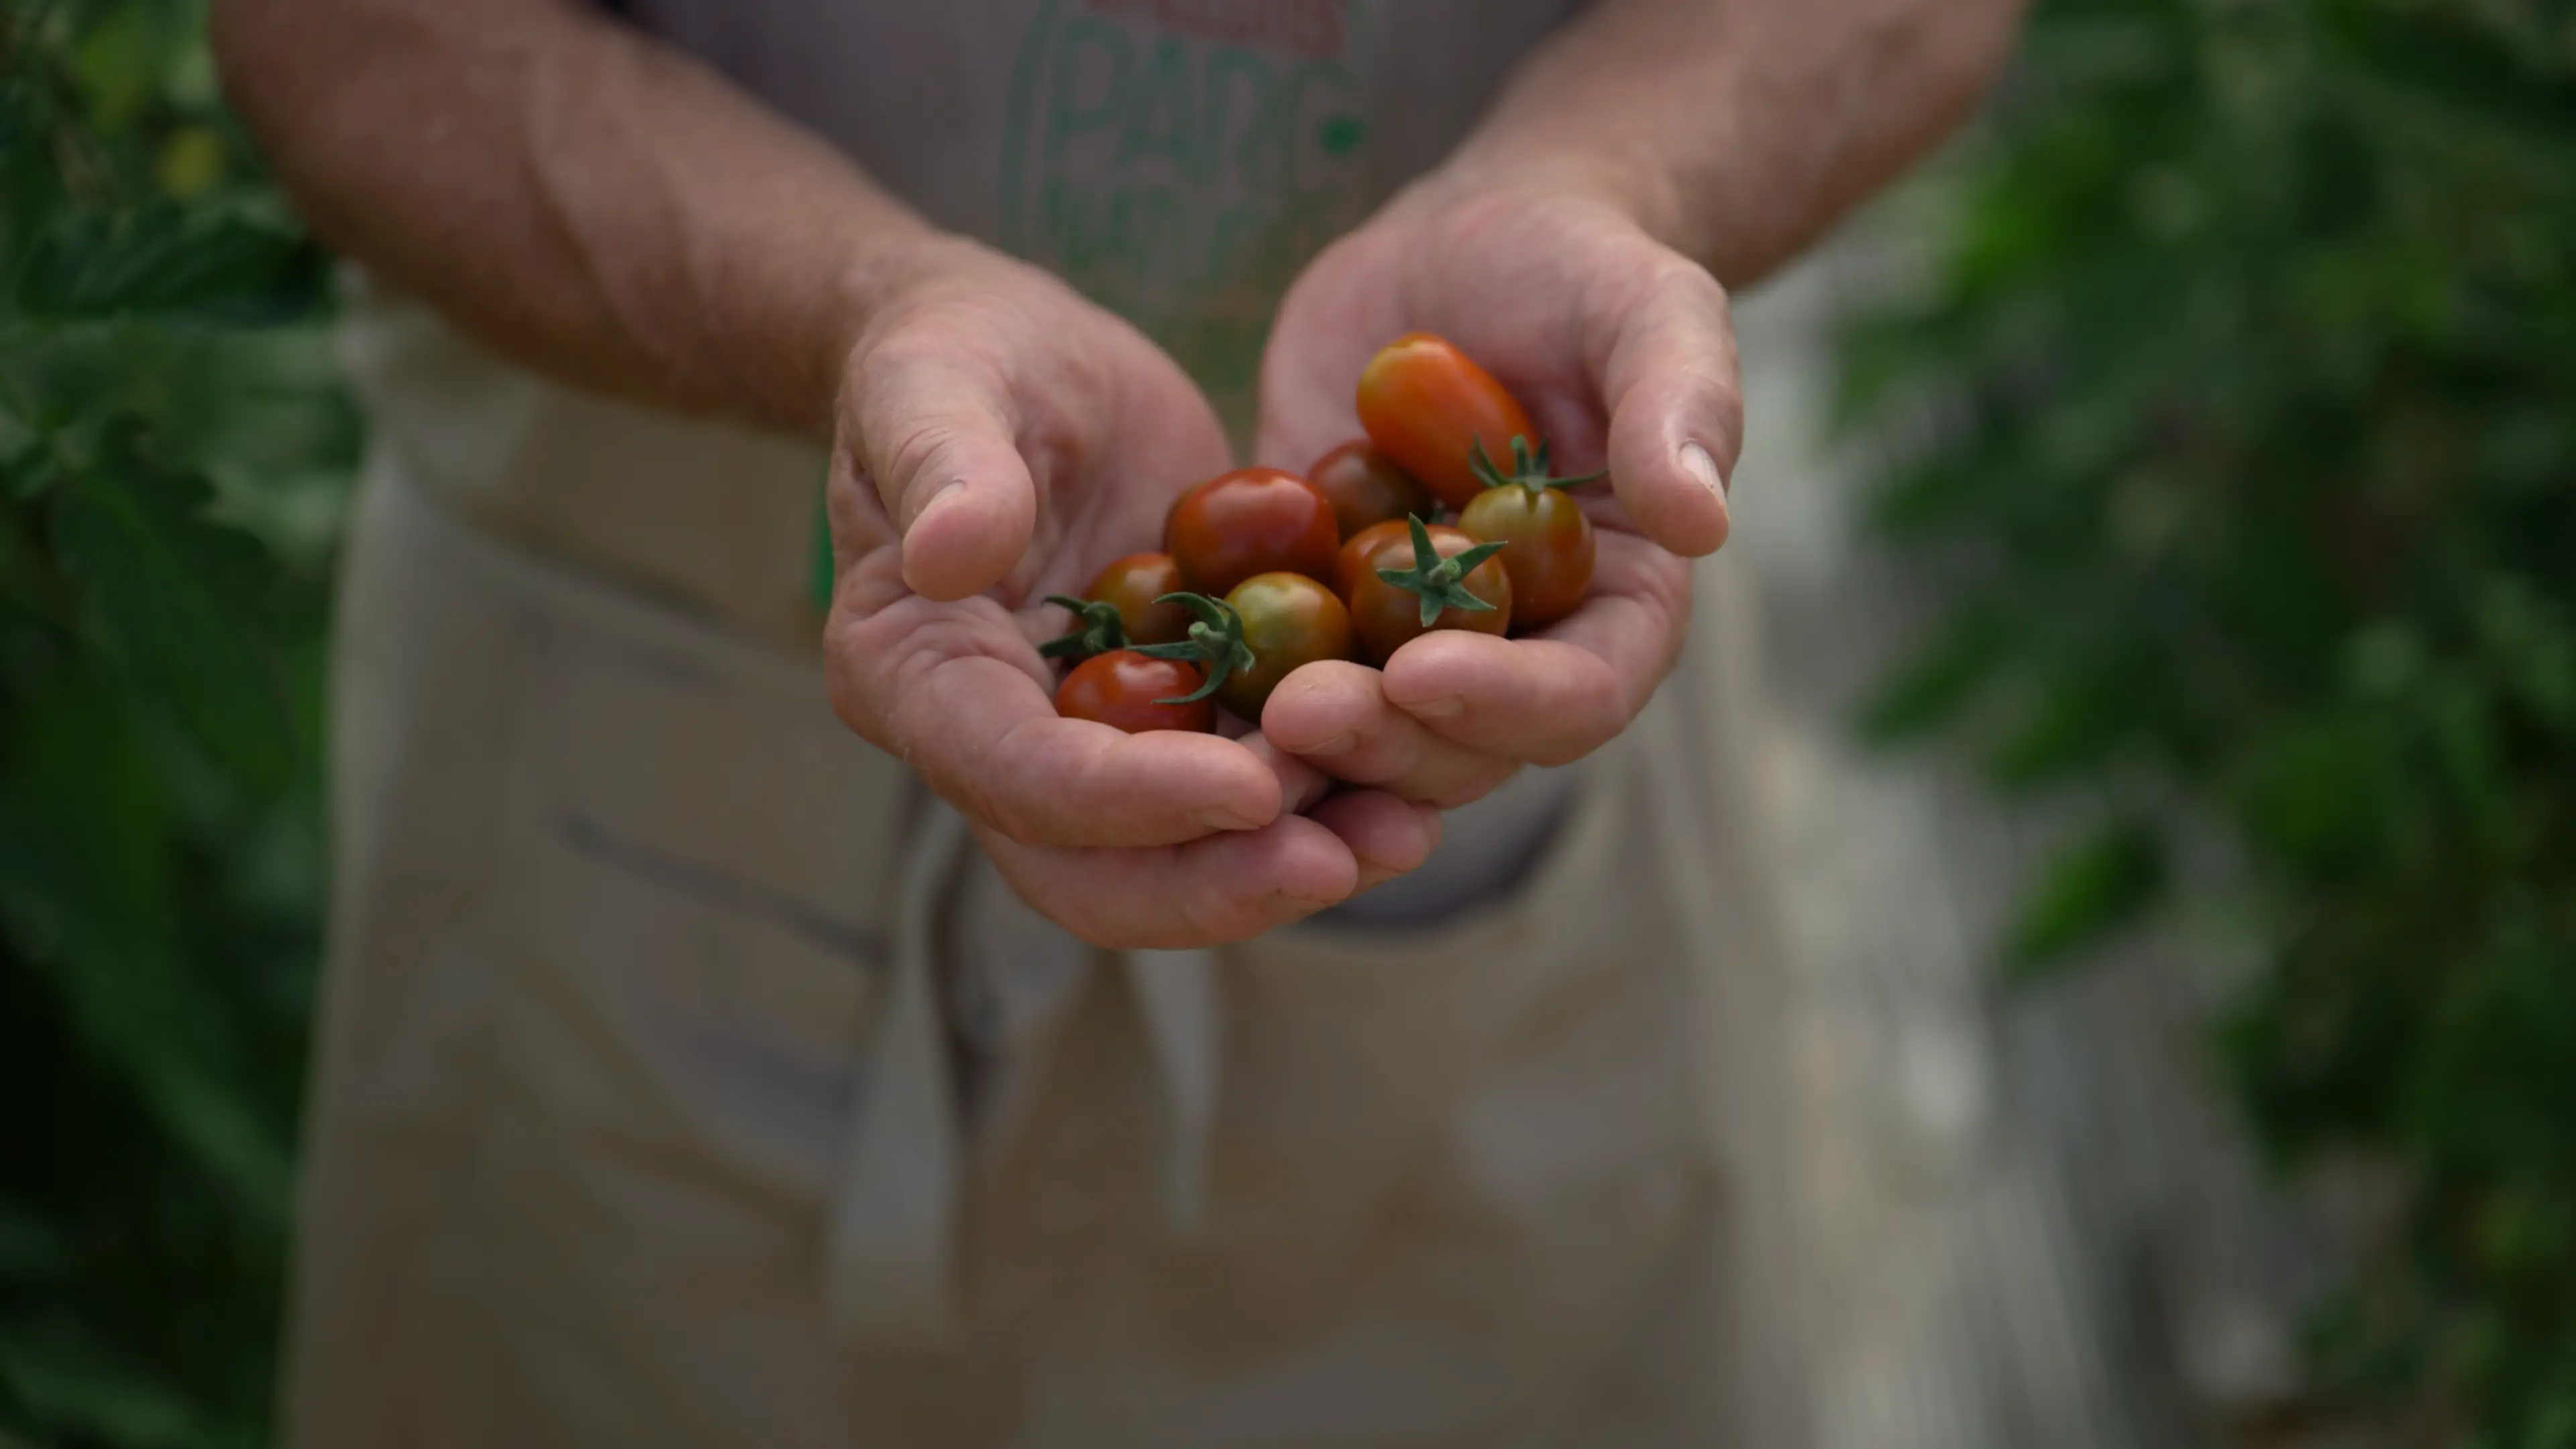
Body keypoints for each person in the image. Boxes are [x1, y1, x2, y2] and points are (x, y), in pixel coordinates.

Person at [212, 1, 2025, 1443]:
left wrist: (1606, 176)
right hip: (637, 799)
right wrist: (852, 306)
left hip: (1492, 871)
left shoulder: (1409, 561)